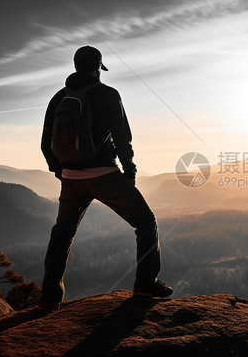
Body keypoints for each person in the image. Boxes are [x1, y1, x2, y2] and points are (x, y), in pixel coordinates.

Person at [39, 45, 172, 312]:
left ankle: (50, 297)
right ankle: (146, 283)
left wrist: (61, 170)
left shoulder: (58, 98)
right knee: (146, 222)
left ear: (76, 66)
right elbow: (122, 138)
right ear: (99, 67)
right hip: (105, 174)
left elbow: (45, 143)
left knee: (61, 234)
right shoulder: (108, 94)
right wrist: (129, 170)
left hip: (71, 178)